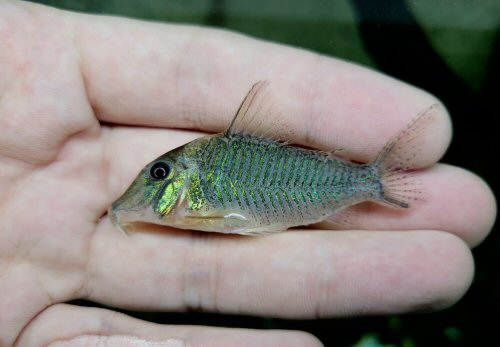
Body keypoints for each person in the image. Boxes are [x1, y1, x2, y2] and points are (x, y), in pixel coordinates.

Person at [0, 1, 495, 346]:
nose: (154, 181)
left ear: (179, 179)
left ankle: (374, 184)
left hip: (334, 185)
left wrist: (367, 182)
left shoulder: (196, 189)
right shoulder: (188, 193)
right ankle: (373, 184)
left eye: (160, 172)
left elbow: (229, 216)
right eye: (160, 171)